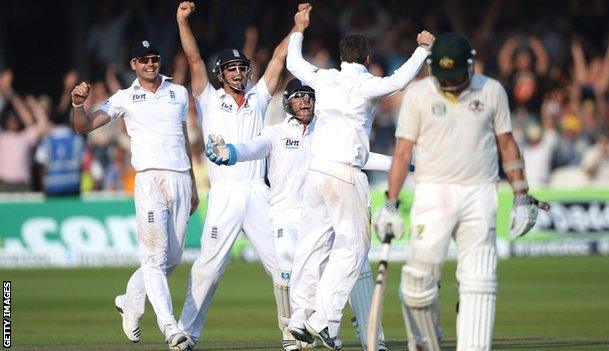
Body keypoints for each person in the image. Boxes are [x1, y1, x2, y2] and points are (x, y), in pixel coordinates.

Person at [375, 32, 549, 351]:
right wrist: (390, 203)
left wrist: (522, 196)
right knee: (416, 284)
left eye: (456, 75)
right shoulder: (417, 95)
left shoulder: (492, 90)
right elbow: (402, 153)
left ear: (470, 65)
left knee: (479, 282)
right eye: (445, 77)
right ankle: (427, 343)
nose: (451, 83)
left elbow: (507, 144)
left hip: (479, 192)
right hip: (432, 192)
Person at [285, 4, 435, 349]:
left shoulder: (324, 77)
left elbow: (293, 63)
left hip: (317, 172)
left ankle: (300, 316)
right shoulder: (366, 85)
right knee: (352, 248)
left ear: (342, 56)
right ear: (366, 56)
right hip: (344, 176)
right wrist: (423, 48)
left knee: (312, 247)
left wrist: (299, 27)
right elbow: (400, 81)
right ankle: (324, 320)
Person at [206, 78, 396, 350]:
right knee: (288, 261)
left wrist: (400, 163)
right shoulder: (275, 133)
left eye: (309, 96)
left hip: (324, 215)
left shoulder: (326, 132)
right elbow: (251, 148)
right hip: (287, 215)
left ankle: (371, 339)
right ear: (287, 102)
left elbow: (359, 156)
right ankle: (292, 330)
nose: (305, 101)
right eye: (298, 96)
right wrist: (231, 152)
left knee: (358, 266)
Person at [175, 2, 303, 350]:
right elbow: (194, 59)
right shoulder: (208, 99)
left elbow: (278, 58)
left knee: (282, 264)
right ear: (221, 74)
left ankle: (292, 332)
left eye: (241, 67)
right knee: (208, 269)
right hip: (225, 193)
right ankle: (186, 335)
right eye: (231, 68)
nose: (237, 72)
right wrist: (182, 21)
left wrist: (298, 26)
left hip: (257, 192)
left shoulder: (259, 97)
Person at [70, 39, 199, 351]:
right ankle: (170, 328)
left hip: (181, 177)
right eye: (144, 60)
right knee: (154, 258)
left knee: (172, 260)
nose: (151, 64)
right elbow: (84, 126)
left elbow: (182, 138)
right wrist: (77, 103)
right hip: (149, 181)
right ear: (133, 65)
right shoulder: (125, 98)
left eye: (154, 58)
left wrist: (193, 183)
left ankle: (129, 301)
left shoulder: (178, 92)